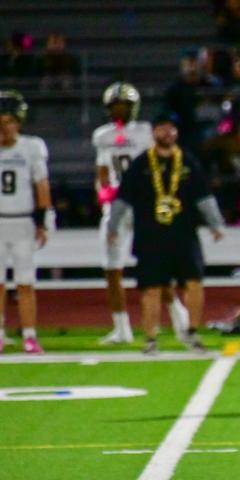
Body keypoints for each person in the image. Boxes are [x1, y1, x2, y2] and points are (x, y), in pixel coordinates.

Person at [107, 113, 226, 354]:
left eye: (171, 129)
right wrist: (113, 226)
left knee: (194, 282)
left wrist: (216, 223)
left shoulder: (187, 161)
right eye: (162, 128)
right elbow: (123, 197)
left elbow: (203, 195)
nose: (167, 133)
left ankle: (192, 333)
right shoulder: (141, 164)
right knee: (151, 288)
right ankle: (151, 339)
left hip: (184, 234)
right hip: (150, 235)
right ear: (153, 133)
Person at [93, 82, 192, 346]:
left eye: (124, 106)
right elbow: (102, 171)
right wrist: (102, 193)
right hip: (116, 206)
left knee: (155, 265)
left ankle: (178, 314)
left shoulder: (146, 132)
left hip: (143, 205)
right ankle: (121, 328)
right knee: (111, 268)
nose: (119, 111)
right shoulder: (103, 136)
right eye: (115, 106)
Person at [0, 90, 53, 355]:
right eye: (0, 121)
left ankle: (30, 336)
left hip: (23, 222)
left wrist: (43, 222)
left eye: (10, 121)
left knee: (25, 283)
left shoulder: (32, 147)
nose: (5, 127)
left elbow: (42, 185)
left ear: (19, 122)